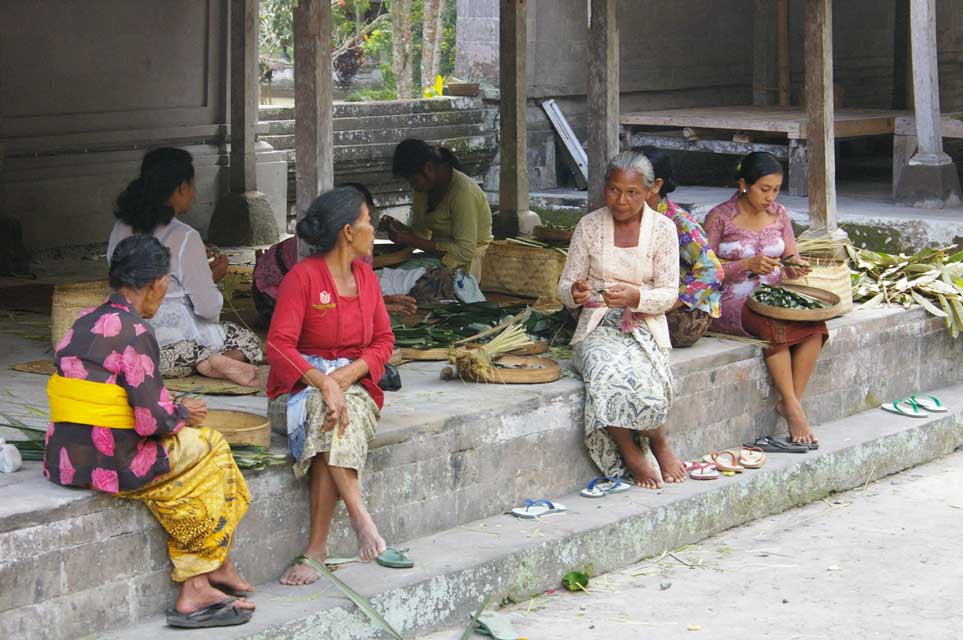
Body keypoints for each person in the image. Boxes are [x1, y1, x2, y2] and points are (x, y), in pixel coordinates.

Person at [44, 235, 255, 628]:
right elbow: (151, 422)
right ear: (158, 283)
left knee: (187, 475)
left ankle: (216, 568)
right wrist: (182, 413)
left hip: (67, 459)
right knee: (211, 447)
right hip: (113, 462)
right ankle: (201, 577)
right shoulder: (136, 331)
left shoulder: (84, 320)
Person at [266, 187, 394, 585]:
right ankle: (359, 516)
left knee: (338, 415)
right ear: (347, 232)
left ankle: (316, 551)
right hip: (298, 391)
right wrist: (322, 382)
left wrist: (345, 377)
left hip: (354, 388)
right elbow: (278, 346)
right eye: (367, 221)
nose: (373, 228)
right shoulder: (302, 279)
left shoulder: (367, 279)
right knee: (329, 411)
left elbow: (384, 342)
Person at [558, 150, 684, 489]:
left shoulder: (663, 229)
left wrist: (636, 298)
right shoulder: (589, 226)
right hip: (598, 324)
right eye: (614, 190)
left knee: (647, 379)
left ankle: (659, 442)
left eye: (632, 192)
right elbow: (566, 284)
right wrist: (578, 292)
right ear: (604, 188)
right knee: (604, 371)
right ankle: (630, 453)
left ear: (650, 191)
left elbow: (669, 292)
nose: (622, 200)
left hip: (645, 324)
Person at [108, 147, 262, 387]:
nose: (194, 193)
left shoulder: (120, 227)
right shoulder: (185, 236)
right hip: (174, 341)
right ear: (180, 187)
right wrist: (212, 278)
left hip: (123, 337)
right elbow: (207, 308)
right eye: (192, 185)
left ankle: (193, 361)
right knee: (248, 341)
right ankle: (204, 361)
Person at [704, 152, 826, 446]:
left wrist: (795, 267)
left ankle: (790, 403)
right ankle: (795, 410)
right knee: (774, 328)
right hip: (731, 300)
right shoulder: (720, 217)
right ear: (745, 184)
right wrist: (744, 265)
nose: (770, 197)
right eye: (764, 189)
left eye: (775, 189)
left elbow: (790, 255)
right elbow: (703, 270)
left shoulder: (779, 214)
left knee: (815, 327)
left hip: (772, 294)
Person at [252, 183, 417, 327]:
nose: (373, 228)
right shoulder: (316, 257)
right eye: (366, 221)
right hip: (271, 296)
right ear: (346, 228)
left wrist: (384, 301)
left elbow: (358, 294)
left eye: (370, 219)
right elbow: (327, 305)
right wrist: (379, 308)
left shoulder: (361, 256)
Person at [379, 139, 492, 304]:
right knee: (388, 276)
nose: (414, 187)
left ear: (429, 169)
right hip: (436, 257)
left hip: (464, 264)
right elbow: (421, 235)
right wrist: (398, 230)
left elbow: (464, 251)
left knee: (396, 281)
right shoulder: (424, 189)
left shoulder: (463, 192)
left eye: (414, 181)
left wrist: (411, 240)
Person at [640, 147, 724, 347]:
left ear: (656, 185)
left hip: (684, 316)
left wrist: (665, 305)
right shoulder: (627, 215)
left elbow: (713, 272)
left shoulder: (679, 222)